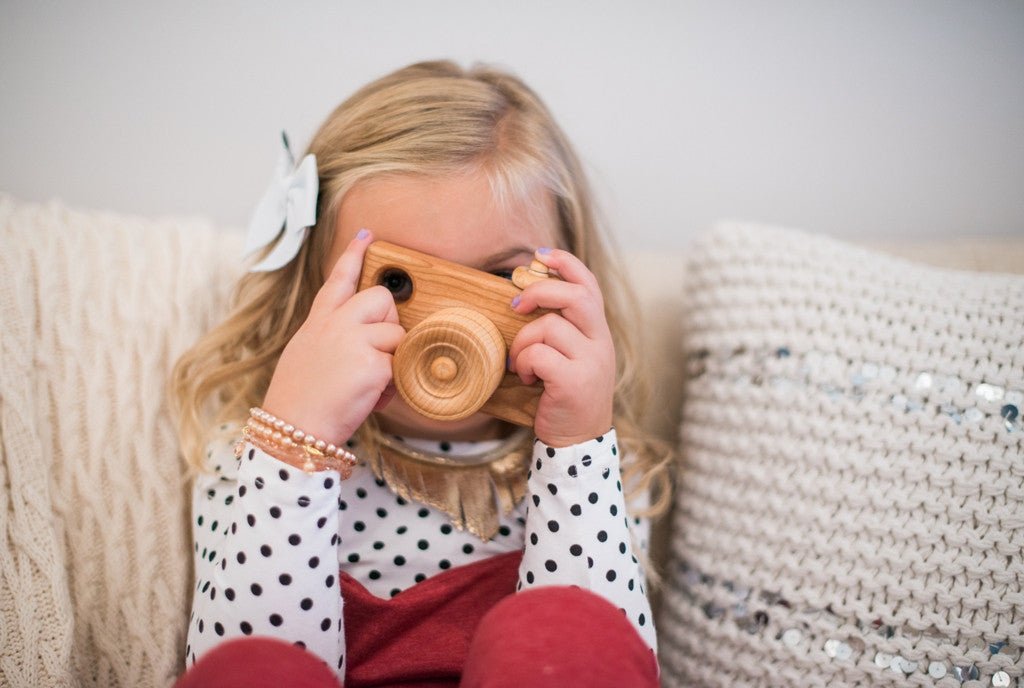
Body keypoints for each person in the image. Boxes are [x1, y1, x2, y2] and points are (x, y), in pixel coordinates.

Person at [171, 60, 670, 688]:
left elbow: (604, 661)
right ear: (312, 287)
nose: (450, 326)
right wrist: (294, 445)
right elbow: (241, 666)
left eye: (499, 279)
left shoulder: (601, 464)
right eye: (398, 282)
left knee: (570, 629)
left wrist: (576, 446)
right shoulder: (258, 452)